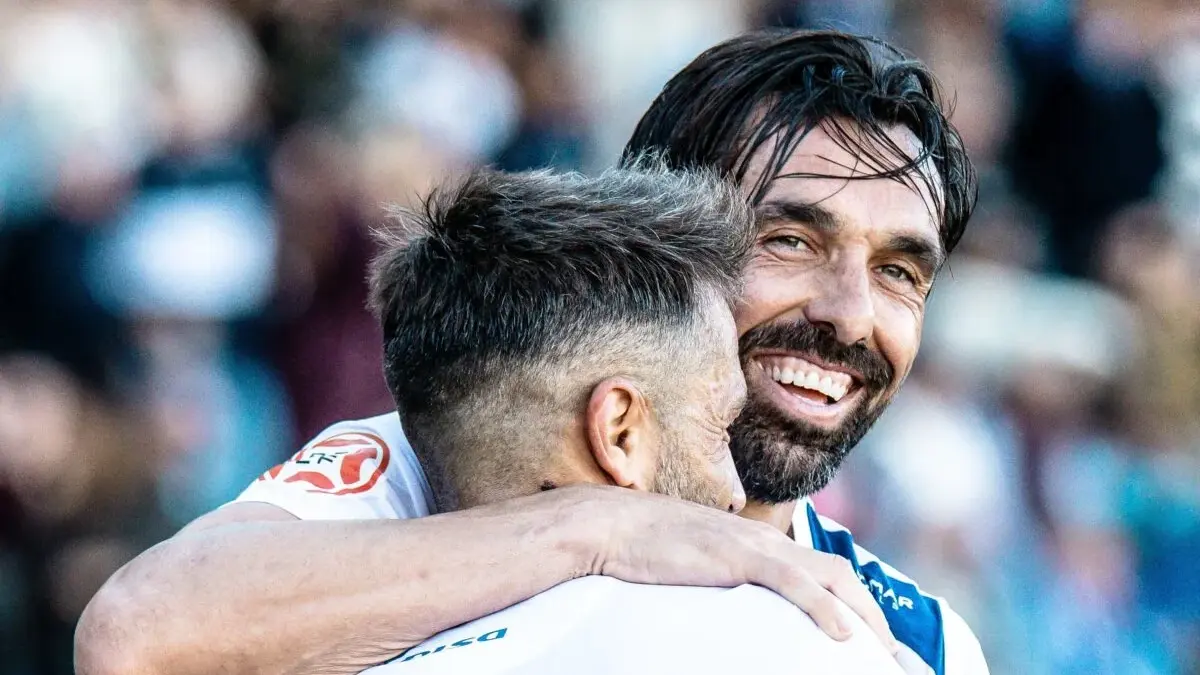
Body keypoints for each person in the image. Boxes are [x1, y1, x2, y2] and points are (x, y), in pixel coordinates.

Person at [76, 29, 984, 675]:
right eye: (791, 240)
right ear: (662, 235)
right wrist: (596, 530)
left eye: (902, 272)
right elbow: (138, 631)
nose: (853, 315)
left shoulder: (921, 642)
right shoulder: (422, 458)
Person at [358, 163, 902, 675]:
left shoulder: (319, 636)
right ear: (619, 432)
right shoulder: (790, 641)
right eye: (719, 426)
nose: (738, 496)